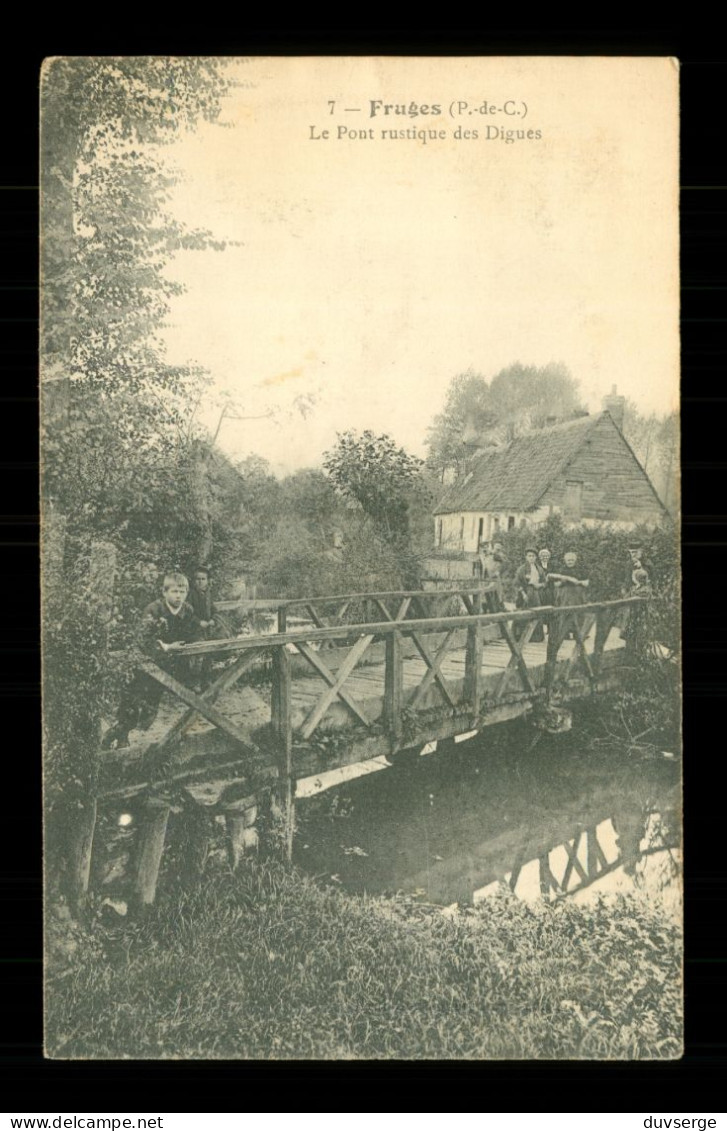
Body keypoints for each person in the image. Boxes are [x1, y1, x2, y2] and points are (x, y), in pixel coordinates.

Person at [102, 572, 201, 750]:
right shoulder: (154, 610)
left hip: (168, 666)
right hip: (146, 664)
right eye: (174, 591)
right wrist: (166, 647)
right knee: (133, 701)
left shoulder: (188, 610)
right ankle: (117, 736)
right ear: (164, 592)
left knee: (150, 708)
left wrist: (191, 646)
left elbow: (193, 633)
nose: (179, 596)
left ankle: (121, 734)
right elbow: (143, 638)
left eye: (182, 591)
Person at [549, 550, 590, 640]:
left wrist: (579, 582)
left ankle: (578, 633)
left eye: (572, 560)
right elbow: (556, 584)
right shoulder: (562, 570)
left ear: (575, 560)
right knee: (565, 612)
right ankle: (565, 633)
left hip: (578, 595)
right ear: (565, 561)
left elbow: (587, 582)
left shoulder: (581, 569)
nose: (570, 562)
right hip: (565, 595)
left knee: (579, 613)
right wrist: (562, 581)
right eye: (568, 560)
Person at [513, 548, 547, 641]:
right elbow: (517, 583)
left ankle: (535, 636)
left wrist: (539, 585)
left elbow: (544, 582)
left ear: (536, 557)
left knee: (536, 612)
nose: (531, 558)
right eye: (529, 556)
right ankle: (520, 635)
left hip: (536, 593)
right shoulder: (522, 569)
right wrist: (523, 594)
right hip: (525, 592)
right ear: (526, 557)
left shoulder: (539, 569)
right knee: (523, 612)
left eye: (533, 556)